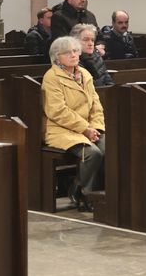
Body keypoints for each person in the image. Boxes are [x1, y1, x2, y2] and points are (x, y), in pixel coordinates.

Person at [41, 36, 106, 211]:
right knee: (92, 153)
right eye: (68, 52)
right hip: (61, 129)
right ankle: (85, 193)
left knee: (110, 148)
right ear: (57, 57)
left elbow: (96, 104)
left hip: (88, 127)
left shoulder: (84, 74)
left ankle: (95, 192)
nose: (74, 55)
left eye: (76, 51)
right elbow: (57, 111)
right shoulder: (52, 77)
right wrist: (85, 129)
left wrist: (96, 127)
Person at [72, 23, 113, 87]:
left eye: (92, 40)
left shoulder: (97, 57)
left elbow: (109, 81)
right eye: (86, 40)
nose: (90, 43)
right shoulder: (72, 61)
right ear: (75, 41)